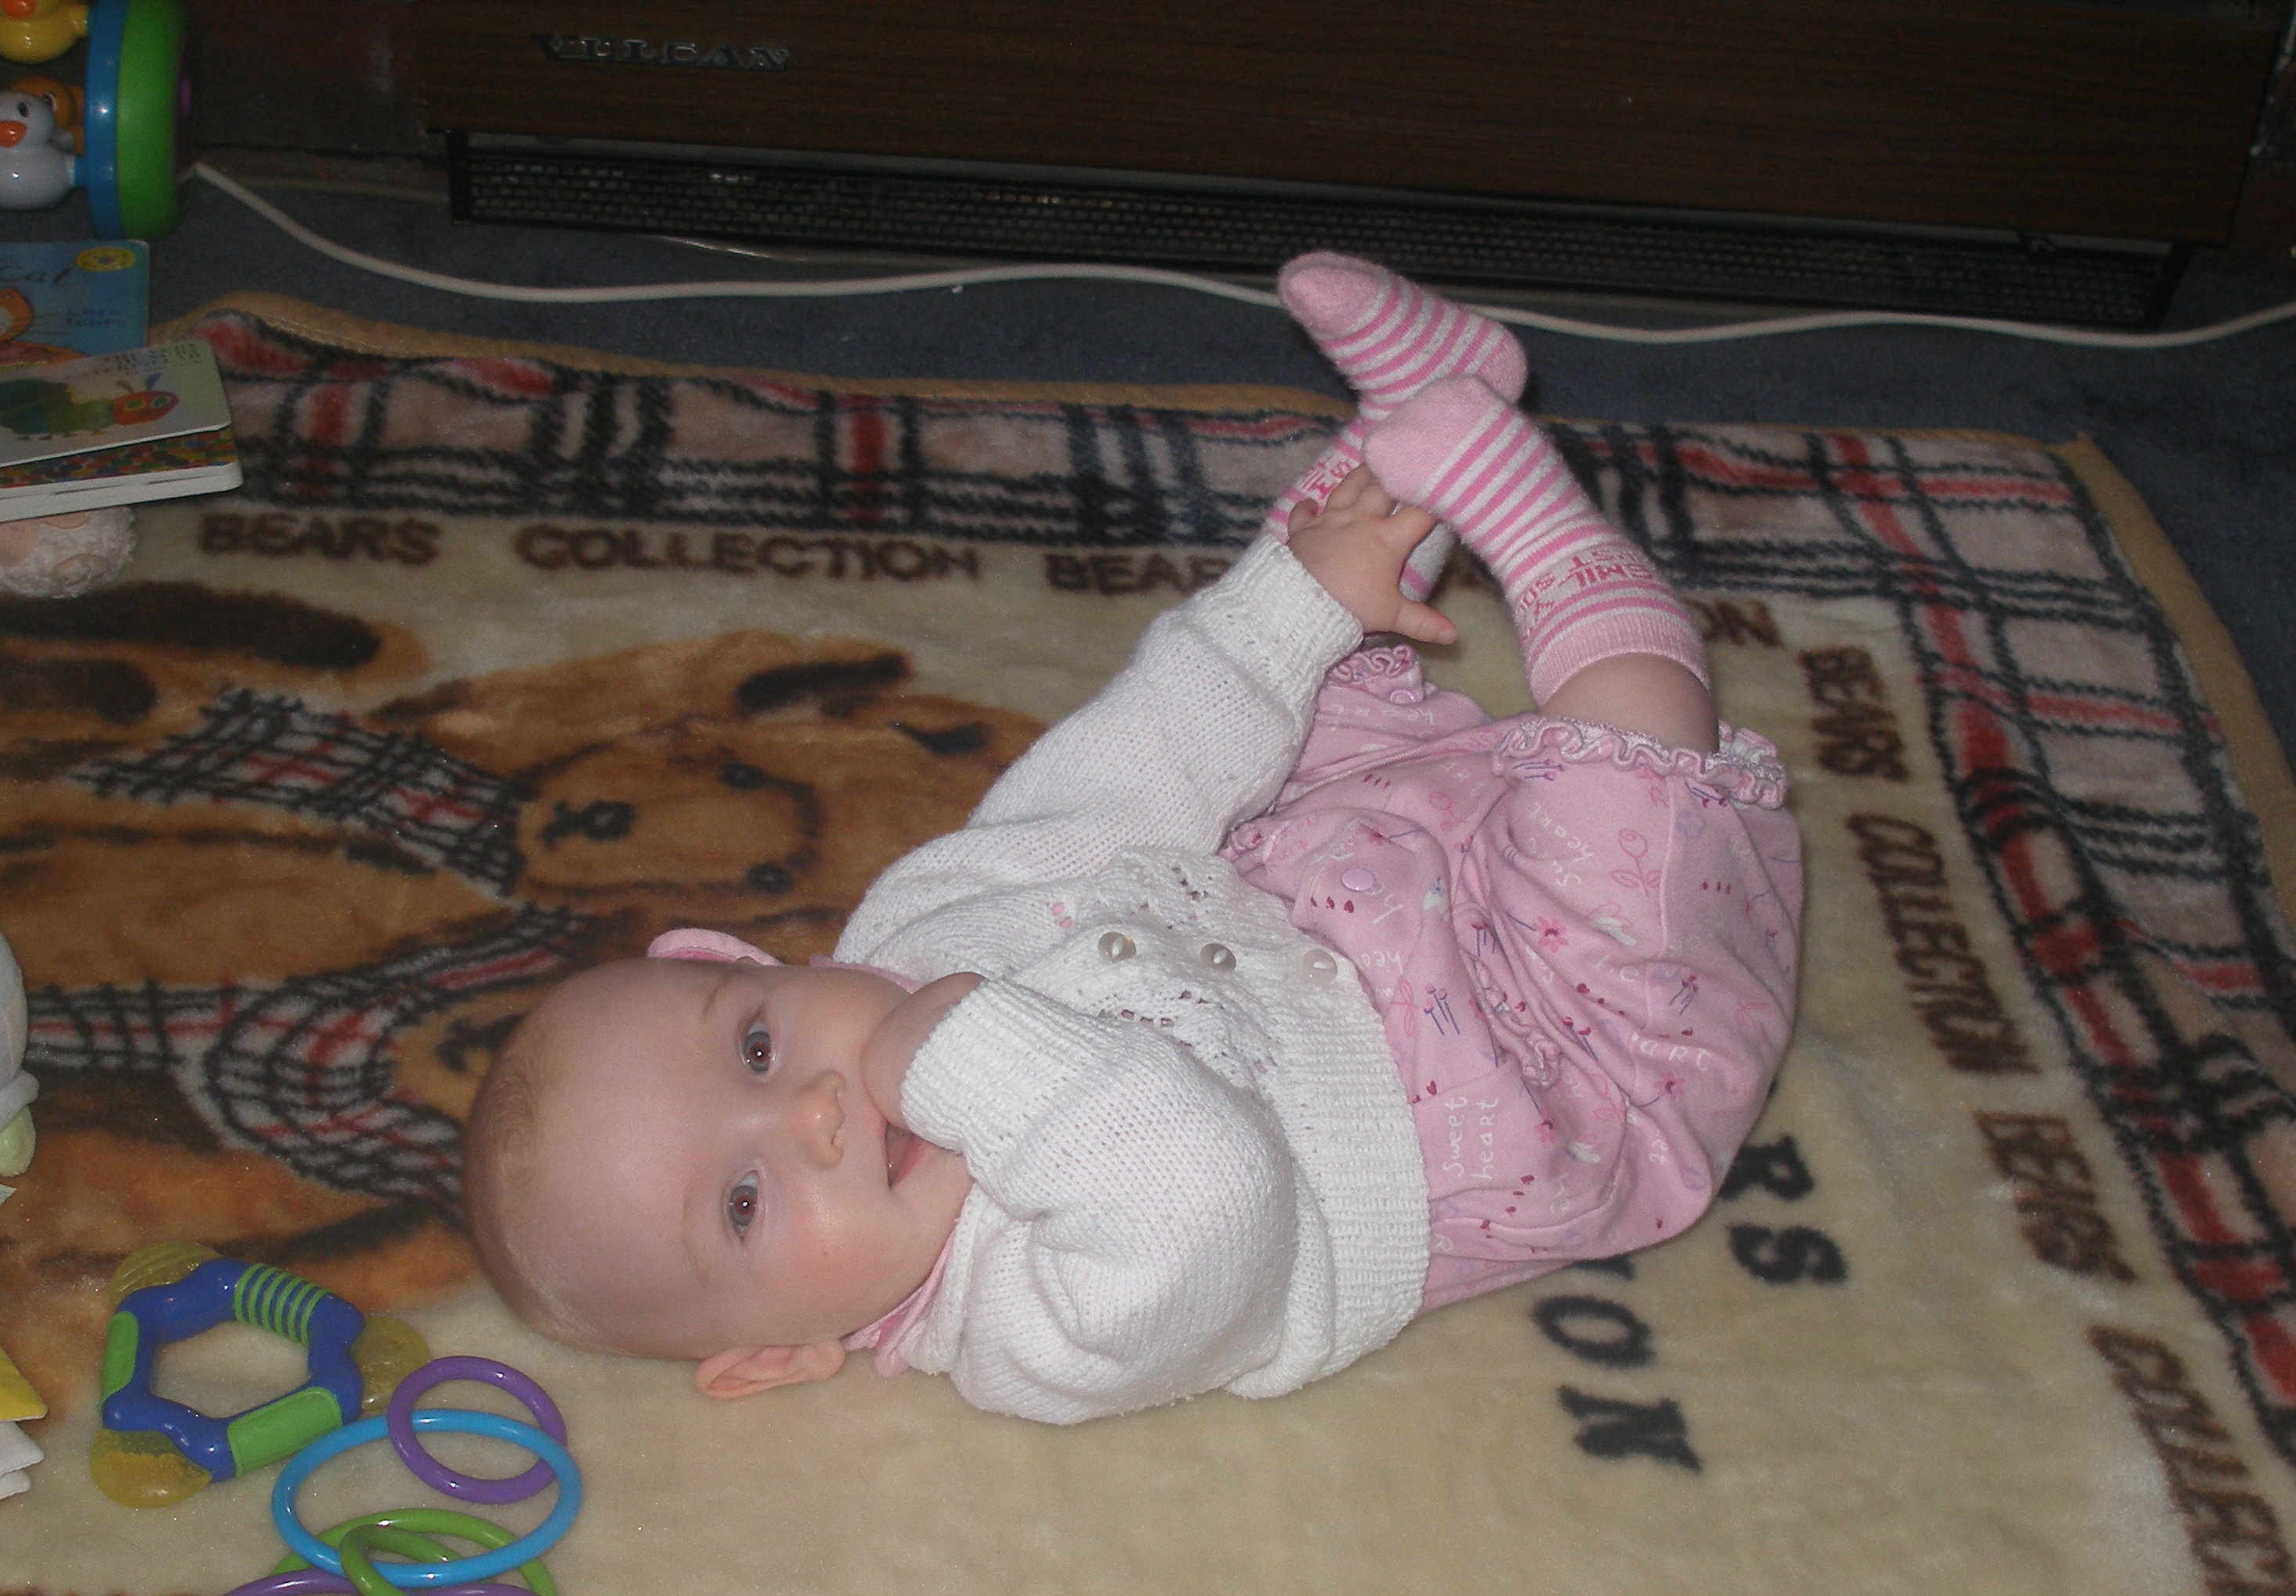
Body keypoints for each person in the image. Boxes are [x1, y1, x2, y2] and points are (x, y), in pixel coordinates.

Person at [463, 254, 1802, 1423]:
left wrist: (1290, 608)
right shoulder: (1033, 1333)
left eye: (757, 1045)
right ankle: (1538, 523)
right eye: (744, 1203)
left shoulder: (909, 933)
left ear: (753, 962)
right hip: (1554, 1074)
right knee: (1629, 803)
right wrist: (960, 1048)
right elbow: (1204, 1188)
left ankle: (1402, 454)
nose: (815, 1109)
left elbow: (1128, 776)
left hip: (1327, 880)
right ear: (776, 1354)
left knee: (1268, 704)